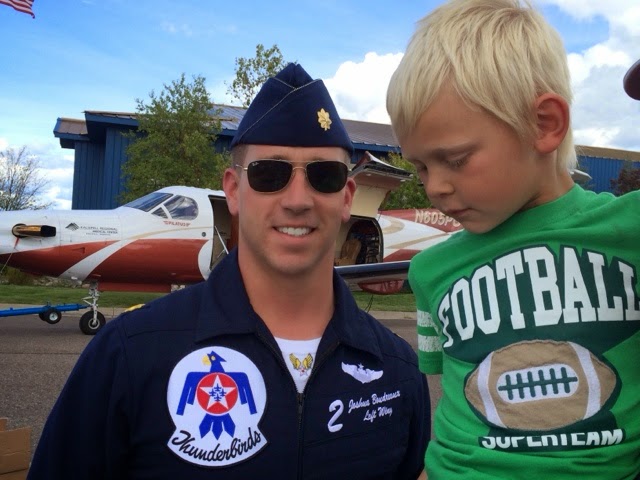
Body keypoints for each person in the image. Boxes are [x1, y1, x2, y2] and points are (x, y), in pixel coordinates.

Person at [28, 63, 430, 479]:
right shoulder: (129, 354)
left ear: (346, 197)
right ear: (234, 191)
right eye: (269, 174)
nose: (297, 200)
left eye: (324, 176)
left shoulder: (398, 369)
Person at [386, 1, 640, 479]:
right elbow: (455, 406)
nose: (435, 186)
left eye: (455, 160)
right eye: (420, 167)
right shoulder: (429, 271)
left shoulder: (630, 230)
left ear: (544, 125)